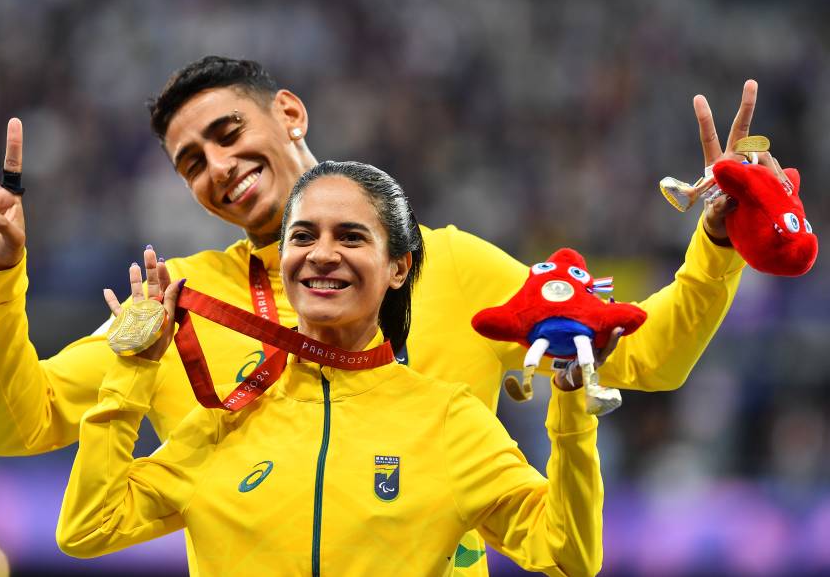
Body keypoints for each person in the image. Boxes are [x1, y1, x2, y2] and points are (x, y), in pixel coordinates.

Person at [0, 56, 750, 574]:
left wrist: (718, 238)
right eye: (192, 163)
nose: (219, 169)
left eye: (229, 134)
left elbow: (649, 359)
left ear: (290, 113)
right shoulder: (174, 304)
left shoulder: (457, 267)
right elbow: (18, 426)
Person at [56, 161, 604, 577]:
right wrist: (134, 371)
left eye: (350, 236)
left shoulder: (448, 420)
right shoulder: (224, 423)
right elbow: (88, 527)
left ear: (398, 266)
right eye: (303, 236)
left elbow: (568, 552)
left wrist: (571, 406)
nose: (321, 253)